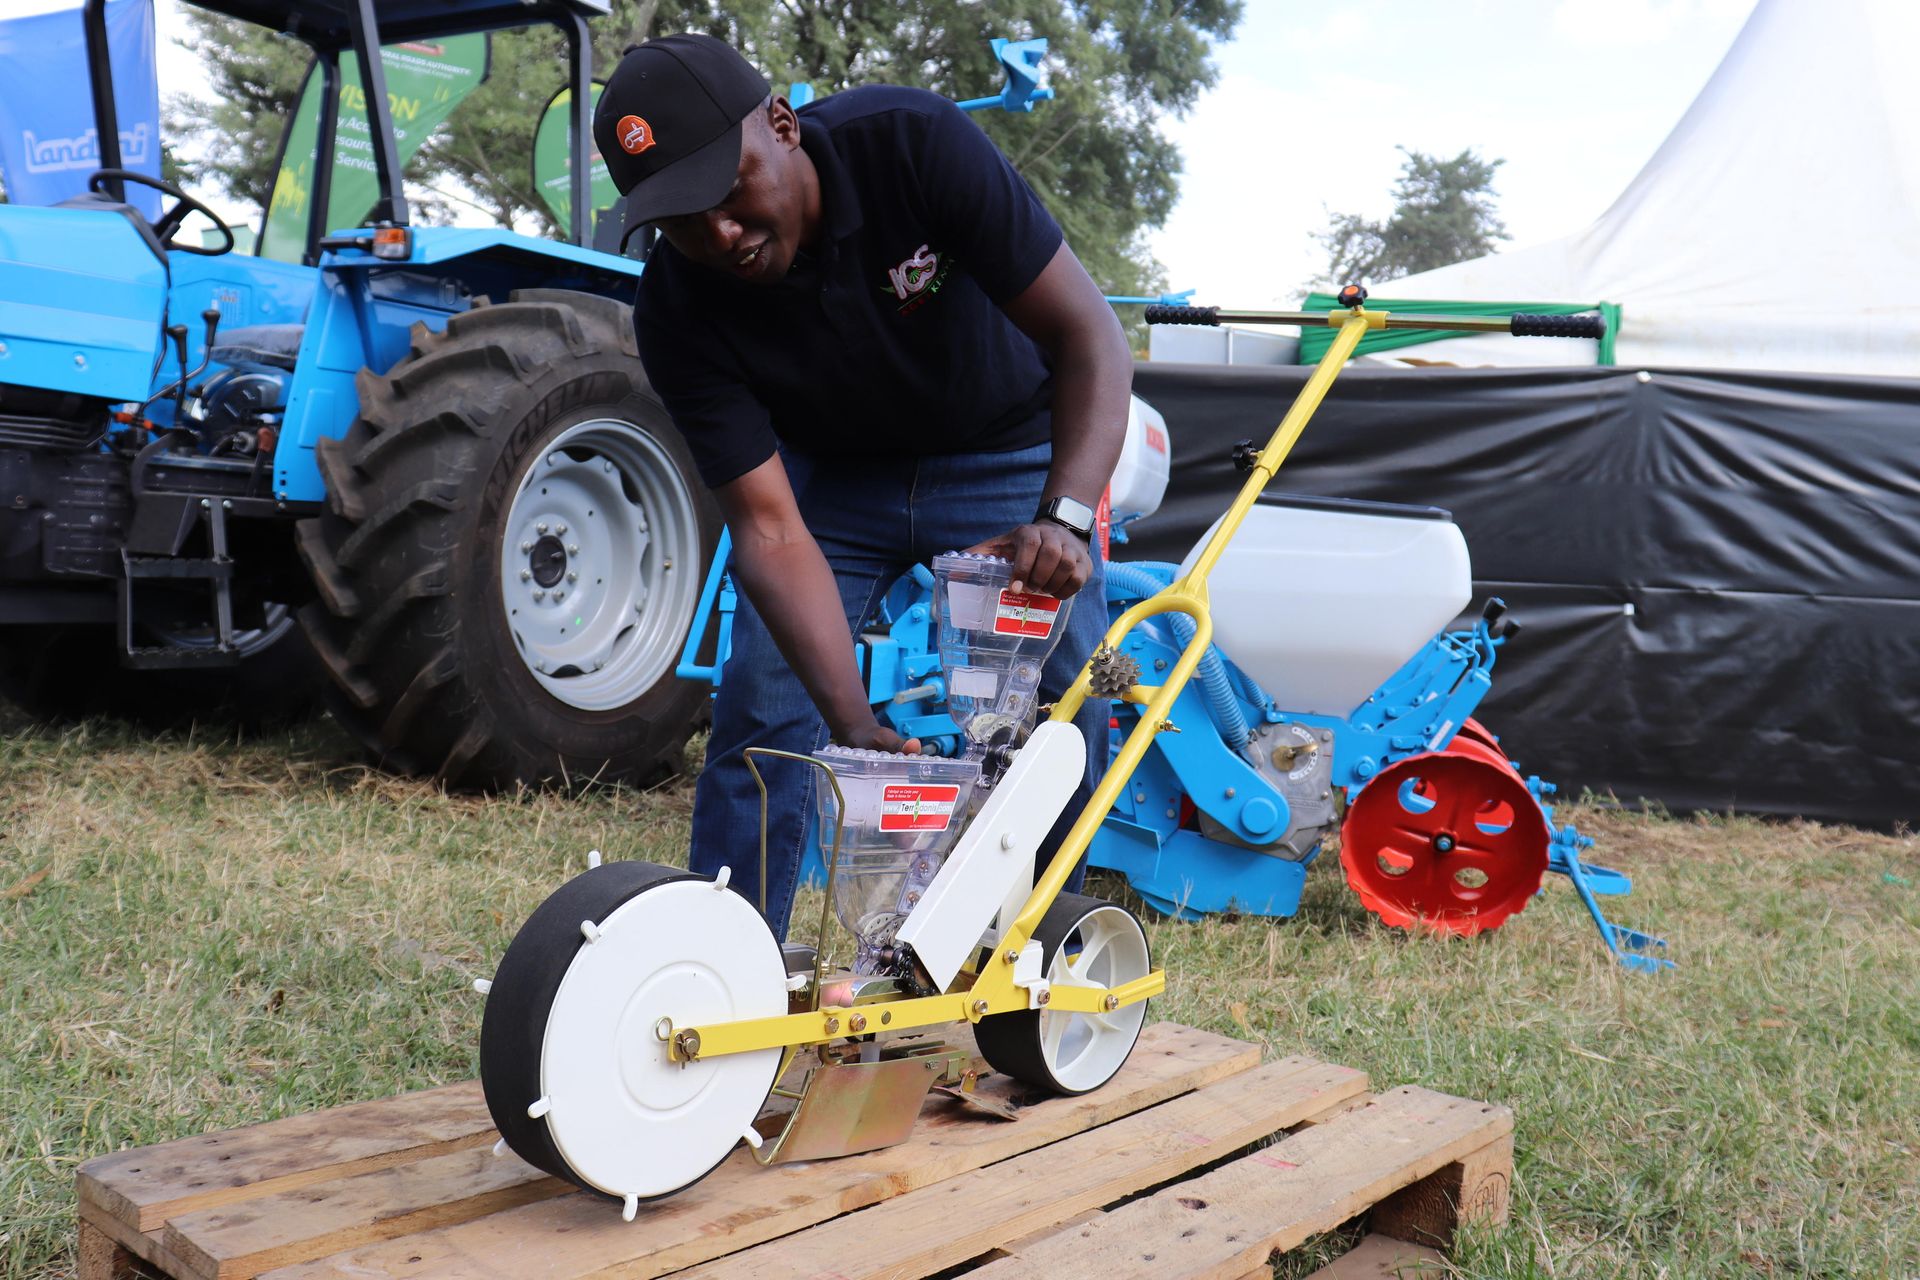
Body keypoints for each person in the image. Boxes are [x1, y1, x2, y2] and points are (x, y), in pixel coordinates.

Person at [591, 33, 1133, 939]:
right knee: (763, 713)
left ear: (781, 125)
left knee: (1070, 697)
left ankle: (1032, 946)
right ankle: (725, 965)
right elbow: (768, 531)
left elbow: (1092, 338)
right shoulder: (677, 310)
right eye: (682, 219)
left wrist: (1065, 516)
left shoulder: (913, 145)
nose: (718, 236)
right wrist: (850, 718)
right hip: (830, 485)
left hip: (1004, 450)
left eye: (728, 193)